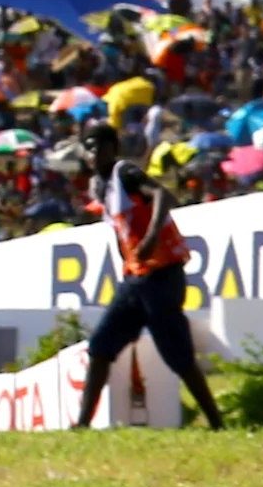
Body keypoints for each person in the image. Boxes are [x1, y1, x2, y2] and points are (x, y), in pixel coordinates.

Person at [71, 160, 226, 430]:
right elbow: (122, 239)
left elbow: (164, 195)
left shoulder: (128, 177)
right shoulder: (108, 194)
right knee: (100, 347)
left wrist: (152, 237)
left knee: (179, 356)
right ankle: (82, 424)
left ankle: (216, 421)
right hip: (135, 280)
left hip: (162, 277)